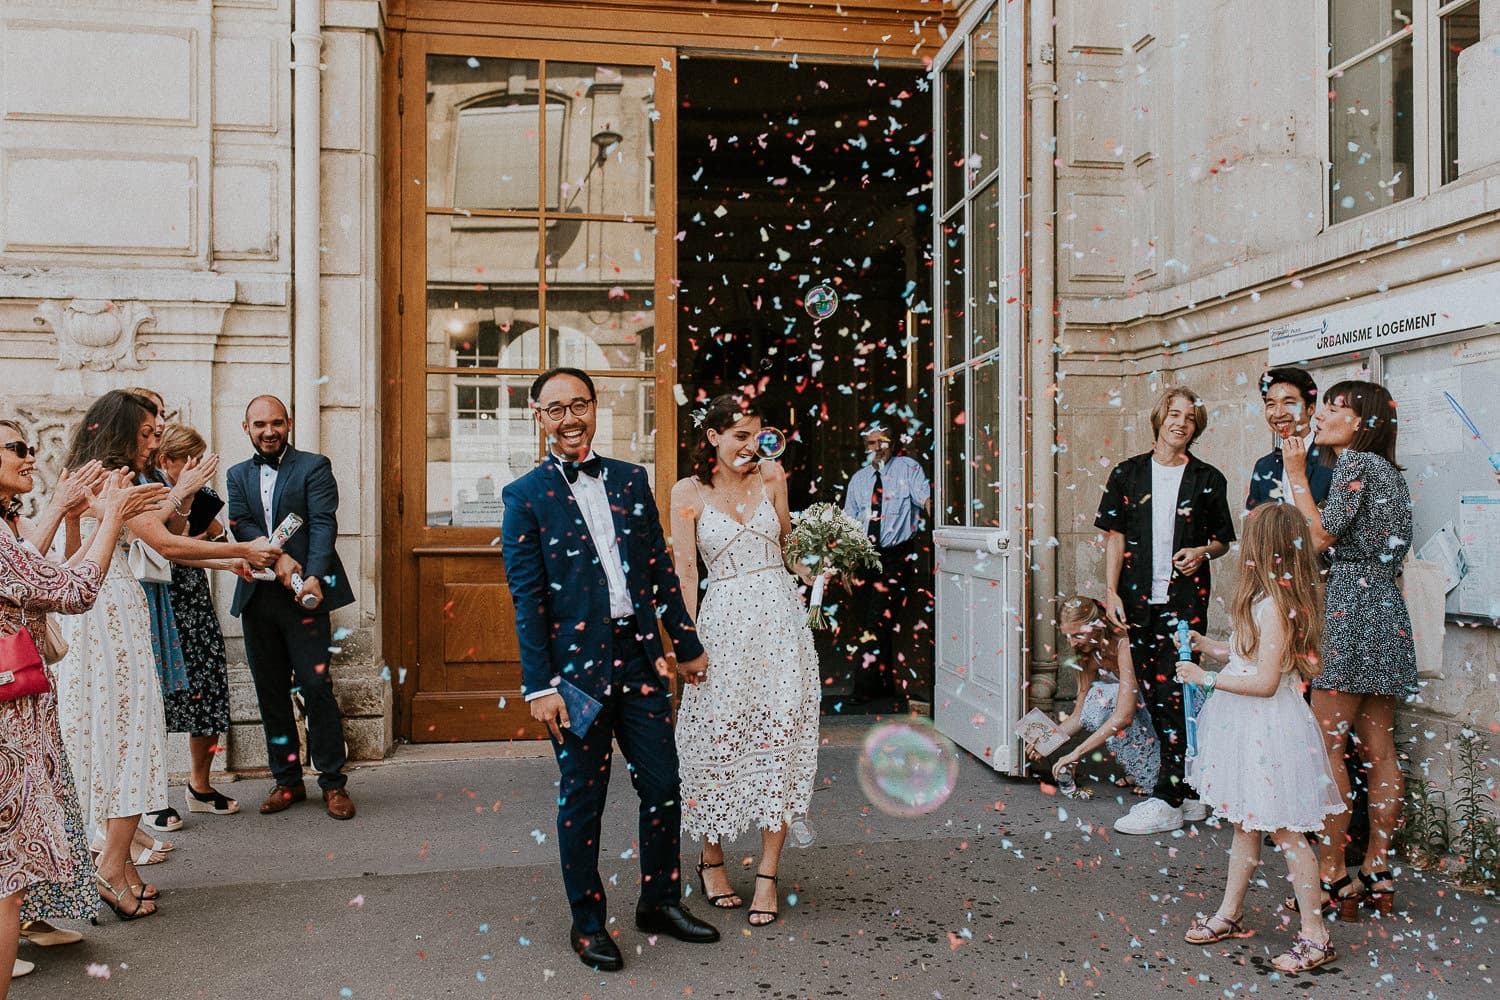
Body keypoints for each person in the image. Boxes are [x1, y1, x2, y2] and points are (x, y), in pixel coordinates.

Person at [501, 367, 719, 972]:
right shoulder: (524, 496)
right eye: (556, 409)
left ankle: (659, 902)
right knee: (583, 800)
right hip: (573, 676)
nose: (571, 418)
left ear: (595, 408)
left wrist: (687, 640)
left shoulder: (630, 479)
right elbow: (528, 599)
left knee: (664, 786)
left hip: (639, 656)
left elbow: (659, 567)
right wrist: (539, 687)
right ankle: (588, 922)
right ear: (538, 417)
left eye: (580, 405)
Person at [55, 390, 277, 920]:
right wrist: (241, 548)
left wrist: (219, 556)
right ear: (121, 430)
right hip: (112, 620)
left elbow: (136, 546)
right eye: (149, 433)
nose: (156, 441)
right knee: (133, 737)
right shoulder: (116, 480)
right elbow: (170, 545)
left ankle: (121, 866)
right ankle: (111, 868)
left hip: (94, 618)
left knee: (110, 738)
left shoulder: (88, 474)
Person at [3, 419, 166, 996]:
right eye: (15, 449)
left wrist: (67, 511)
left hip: (21, 698)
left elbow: (35, 569)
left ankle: (35, 917)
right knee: (8, 856)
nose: (29, 456)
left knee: (22, 836)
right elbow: (69, 589)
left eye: (28, 445)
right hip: (7, 708)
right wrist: (110, 516)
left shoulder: (7, 525)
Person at [669, 394, 820, 926]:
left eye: (757, 434)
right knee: (716, 739)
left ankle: (767, 876)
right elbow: (686, 574)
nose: (751, 445)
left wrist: (822, 565)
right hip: (723, 628)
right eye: (739, 435)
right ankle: (711, 861)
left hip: (781, 628)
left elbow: (789, 552)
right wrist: (685, 645)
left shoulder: (773, 480)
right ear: (712, 437)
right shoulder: (687, 492)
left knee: (778, 742)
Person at [1176, 502, 1344, 974]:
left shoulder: (1277, 605)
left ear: (1262, 550)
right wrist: (1209, 647)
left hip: (1268, 728)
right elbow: (1250, 654)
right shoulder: (1264, 600)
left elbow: (1266, 681)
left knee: (1288, 832)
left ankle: (1316, 935)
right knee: (1245, 824)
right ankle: (1230, 912)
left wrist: (1203, 678)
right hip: (1246, 726)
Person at [1284, 380, 1415, 918]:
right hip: (1386, 608)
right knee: (1379, 749)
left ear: (1361, 421)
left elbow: (1318, 538)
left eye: (1335, 407)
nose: (1321, 414)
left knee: (1327, 745)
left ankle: (1335, 874)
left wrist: (1295, 475)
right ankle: (1378, 868)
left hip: (1350, 609)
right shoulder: (1392, 475)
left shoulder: (1355, 466)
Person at [1095, 386, 1236, 835]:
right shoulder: (1127, 474)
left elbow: (1222, 541)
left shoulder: (1208, 477)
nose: (1181, 423)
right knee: (1155, 697)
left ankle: (1170, 795)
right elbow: (1113, 535)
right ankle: (1188, 792)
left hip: (1184, 601)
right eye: (1174, 414)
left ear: (1197, 428)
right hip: (1137, 601)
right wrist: (1111, 592)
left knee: (1178, 692)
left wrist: (1201, 552)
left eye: (1190, 419)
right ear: (1159, 419)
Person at [226, 395, 356, 820]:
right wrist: (276, 557)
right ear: (246, 427)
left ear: (290, 423)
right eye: (260, 423)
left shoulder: (313, 466)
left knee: (317, 688)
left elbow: (323, 522)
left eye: (277, 423)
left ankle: (333, 783)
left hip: (306, 595)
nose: (269, 431)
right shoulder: (236, 474)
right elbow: (241, 522)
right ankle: (287, 781)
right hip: (258, 597)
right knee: (270, 692)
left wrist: (314, 573)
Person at [156, 424, 238, 818]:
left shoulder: (203, 494)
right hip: (158, 602)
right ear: (164, 461)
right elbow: (168, 546)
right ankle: (151, 797)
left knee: (208, 689)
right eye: (186, 460)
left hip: (194, 601)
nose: (195, 467)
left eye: (199, 459)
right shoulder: (154, 493)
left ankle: (199, 786)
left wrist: (221, 542)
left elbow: (218, 540)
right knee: (155, 701)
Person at [839, 419, 931, 706]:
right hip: (865, 558)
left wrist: (943, 518)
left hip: (895, 557)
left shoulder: (909, 468)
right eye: (871, 443)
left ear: (893, 443)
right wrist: (846, 564)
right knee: (872, 619)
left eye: (882, 442)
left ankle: (862, 688)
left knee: (876, 619)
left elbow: (927, 499)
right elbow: (849, 522)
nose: (876, 448)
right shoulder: (859, 479)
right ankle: (884, 686)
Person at [1037, 595, 1160, 796]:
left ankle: (1154, 771)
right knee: (1101, 700)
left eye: (1077, 635)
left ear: (1098, 624)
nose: (1072, 643)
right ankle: (1141, 769)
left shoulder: (1124, 644)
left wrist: (1077, 752)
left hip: (1162, 706)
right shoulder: (1088, 653)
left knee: (1105, 696)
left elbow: (1124, 715)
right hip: (1141, 707)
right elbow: (1080, 715)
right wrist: (1045, 742)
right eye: (1067, 636)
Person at [1245, 368, 1335, 510]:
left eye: (1288, 403)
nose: (1278, 413)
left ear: (1311, 408)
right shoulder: (1263, 466)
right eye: (1271, 404)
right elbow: (1253, 523)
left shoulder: (1333, 459)